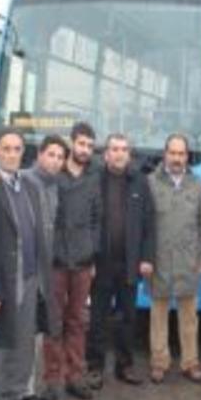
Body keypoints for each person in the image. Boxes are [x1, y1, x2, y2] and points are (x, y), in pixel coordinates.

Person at [0, 127, 56, 400]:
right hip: (2, 284)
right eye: (6, 148)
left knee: (24, 347)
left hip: (31, 278)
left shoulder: (30, 186)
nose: (12, 154)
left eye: (17, 149)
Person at [87, 134, 154, 387]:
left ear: (129, 154)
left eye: (124, 149)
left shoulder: (139, 181)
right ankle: (94, 367)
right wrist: (88, 257)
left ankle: (124, 367)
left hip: (130, 262)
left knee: (128, 317)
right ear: (106, 154)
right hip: (101, 261)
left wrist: (146, 257)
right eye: (114, 149)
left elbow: (149, 223)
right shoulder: (95, 180)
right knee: (98, 318)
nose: (119, 154)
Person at [46, 122, 102, 400]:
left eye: (90, 146)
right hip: (56, 262)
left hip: (82, 262)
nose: (85, 150)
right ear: (72, 144)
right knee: (54, 321)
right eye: (81, 144)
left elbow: (96, 219)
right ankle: (53, 378)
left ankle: (76, 376)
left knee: (78, 320)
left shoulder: (94, 177)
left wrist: (92, 252)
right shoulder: (55, 175)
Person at [147, 133, 201, 384]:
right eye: (172, 153)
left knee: (189, 316)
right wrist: (146, 257)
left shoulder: (197, 185)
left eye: (181, 154)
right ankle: (159, 362)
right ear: (165, 154)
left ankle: (190, 362)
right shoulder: (151, 183)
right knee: (158, 314)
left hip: (188, 259)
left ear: (187, 157)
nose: (177, 158)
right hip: (159, 259)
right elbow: (144, 225)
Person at [20, 135, 68, 400]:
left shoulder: (55, 186)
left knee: (35, 333)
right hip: (26, 270)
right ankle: (11, 395)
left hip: (45, 271)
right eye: (51, 155)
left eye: (60, 157)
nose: (56, 161)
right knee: (19, 335)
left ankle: (25, 391)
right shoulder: (25, 181)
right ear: (39, 154)